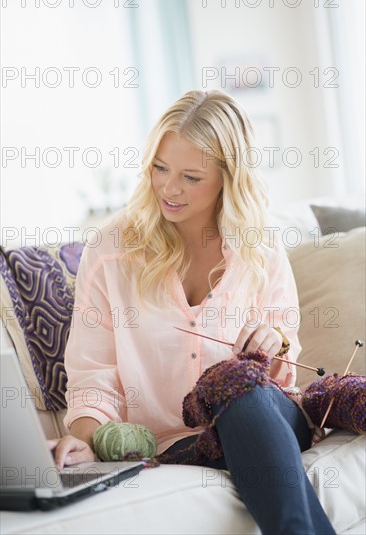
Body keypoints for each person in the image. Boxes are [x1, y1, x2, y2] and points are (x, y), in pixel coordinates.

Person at [49, 90, 336, 534]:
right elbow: (94, 378)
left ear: (228, 178)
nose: (169, 187)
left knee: (241, 390)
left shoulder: (259, 246)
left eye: (190, 176)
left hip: (268, 418)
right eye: (160, 168)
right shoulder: (111, 252)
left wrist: (273, 340)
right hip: (176, 445)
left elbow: (285, 368)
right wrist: (83, 441)